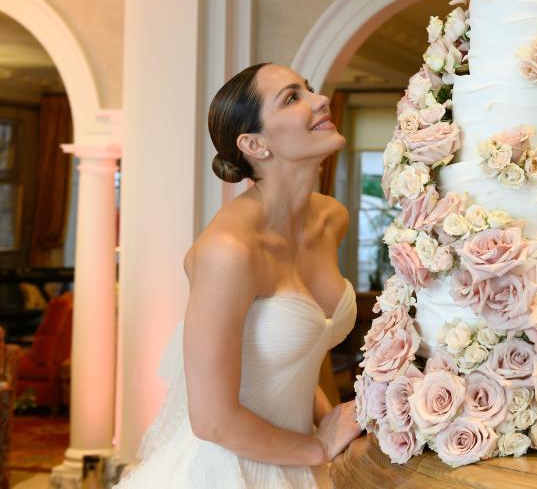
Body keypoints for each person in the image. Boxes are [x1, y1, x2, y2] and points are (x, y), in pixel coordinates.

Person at [116, 63, 361, 487]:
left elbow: (290, 352)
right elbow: (213, 421)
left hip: (301, 460)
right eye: (292, 97)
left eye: (309, 89)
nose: (319, 100)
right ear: (254, 144)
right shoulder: (228, 250)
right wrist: (319, 448)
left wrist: (332, 419)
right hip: (227, 469)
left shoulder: (331, 220)